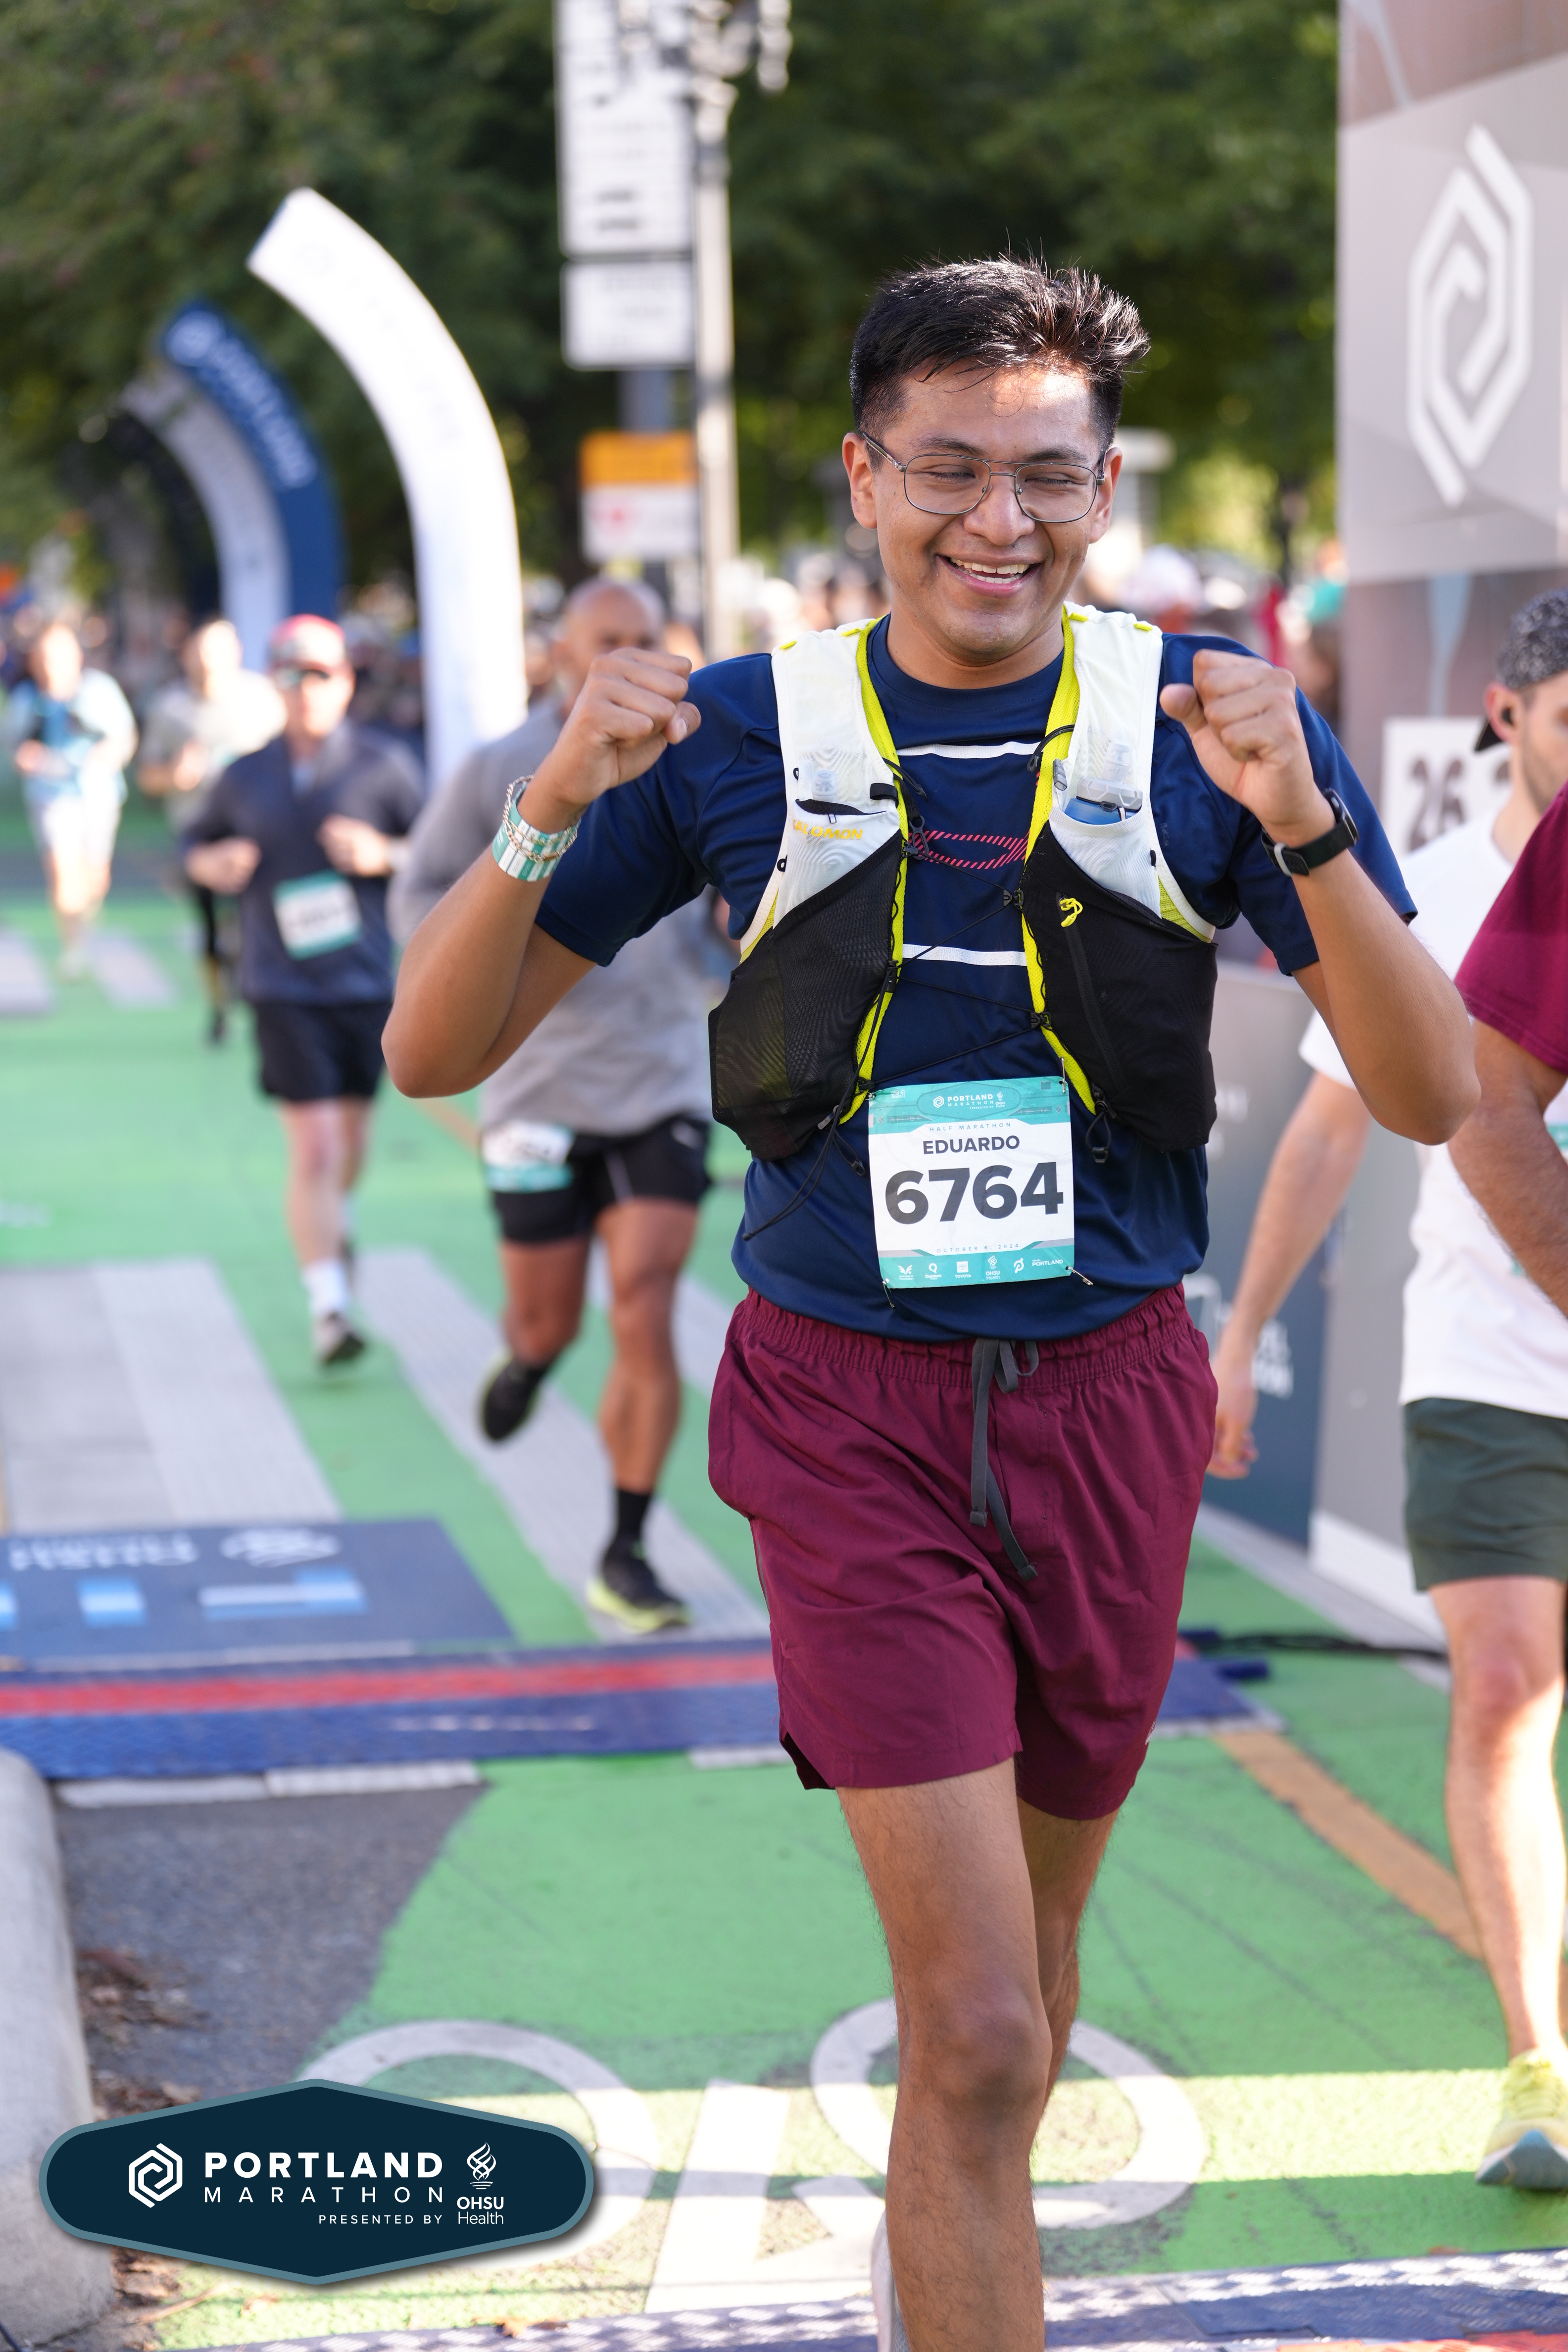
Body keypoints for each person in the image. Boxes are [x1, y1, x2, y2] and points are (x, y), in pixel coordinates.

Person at [383, 258, 1475, 2352]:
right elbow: (437, 1051)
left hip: (1111, 1401)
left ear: (1105, 487)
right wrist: (550, 800)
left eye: (1046, 476)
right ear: (865, 475)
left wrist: (1309, 825)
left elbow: (1427, 1092)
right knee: (971, 2028)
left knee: (1027, 2006)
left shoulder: (1205, 720)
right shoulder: (736, 732)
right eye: (949, 469)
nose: (999, 519)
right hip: (846, 1408)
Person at [1210, 588, 1568, 2189]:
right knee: (1501, 1690)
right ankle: (1537, 2061)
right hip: (1484, 1369)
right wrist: (1238, 1339)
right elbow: (1321, 1136)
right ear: (1506, 716)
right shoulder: (1427, 896)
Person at [391, 577, 714, 1633]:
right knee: (550, 1315)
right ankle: (531, 1357)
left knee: (646, 1300)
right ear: (561, 653)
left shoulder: (698, 753)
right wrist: (491, 962)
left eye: (643, 637)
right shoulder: (500, 766)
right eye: (605, 638)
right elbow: (418, 898)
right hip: (532, 1083)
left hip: (659, 1078)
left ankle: (626, 1547)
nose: (626, 653)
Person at [182, 614, 423, 1366]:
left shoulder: (385, 766)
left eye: (320, 674)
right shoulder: (245, 773)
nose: (306, 688)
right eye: (291, 675)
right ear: (273, 684)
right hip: (280, 985)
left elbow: (441, 856)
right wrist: (212, 864)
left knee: (349, 1144)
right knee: (314, 1145)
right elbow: (194, 845)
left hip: (364, 982)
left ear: (347, 682)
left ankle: (333, 1221)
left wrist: (384, 852)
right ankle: (330, 1307)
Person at [136, 617, 285, 1041]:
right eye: (200, 654)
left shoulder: (262, 698)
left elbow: (289, 755)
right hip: (198, 833)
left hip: (255, 829)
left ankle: (256, 994)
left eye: (217, 652)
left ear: (236, 652)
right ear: (186, 657)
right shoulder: (170, 709)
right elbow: (148, 776)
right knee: (210, 927)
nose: (208, 663)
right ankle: (218, 1007)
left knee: (254, 920)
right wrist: (174, 774)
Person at [0, 618, 137, 974]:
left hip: (98, 794)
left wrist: (108, 754)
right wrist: (26, 758)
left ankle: (86, 923)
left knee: (94, 876)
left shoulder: (98, 691)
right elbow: (15, 747)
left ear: (77, 655)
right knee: (63, 872)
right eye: (45, 656)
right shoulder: (27, 699)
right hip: (50, 796)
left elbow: (125, 737)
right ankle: (74, 948)